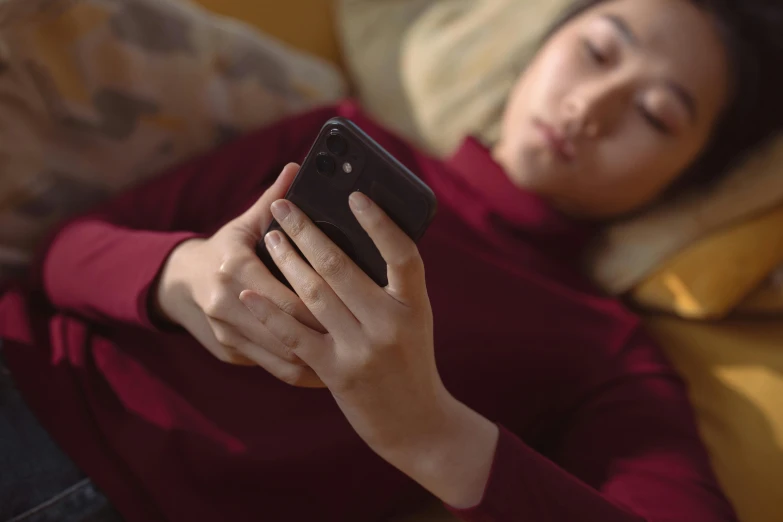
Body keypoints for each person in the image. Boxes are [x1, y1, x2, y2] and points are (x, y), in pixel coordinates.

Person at [1, 0, 781, 520]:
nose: (591, 106)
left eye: (655, 113)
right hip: (29, 365)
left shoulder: (603, 348)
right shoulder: (337, 133)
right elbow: (65, 250)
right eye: (597, 50)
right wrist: (184, 278)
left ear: (686, 178)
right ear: (542, 48)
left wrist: (429, 431)